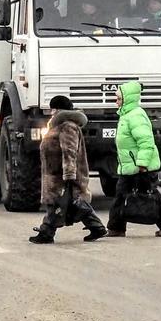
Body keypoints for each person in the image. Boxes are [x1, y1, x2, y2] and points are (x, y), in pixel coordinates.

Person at [29, 96, 108, 244]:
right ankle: (96, 227)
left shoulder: (67, 126)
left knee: (60, 203)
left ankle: (46, 232)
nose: (51, 112)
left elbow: (69, 151)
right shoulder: (58, 125)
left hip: (62, 174)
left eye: (53, 108)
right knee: (71, 203)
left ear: (58, 109)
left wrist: (69, 174)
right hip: (56, 172)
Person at [107, 81, 161, 237]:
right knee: (120, 194)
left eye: (118, 98)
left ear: (128, 99)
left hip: (139, 166)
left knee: (149, 194)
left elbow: (146, 142)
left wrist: (142, 163)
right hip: (129, 166)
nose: (116, 101)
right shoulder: (126, 114)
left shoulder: (136, 115)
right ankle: (116, 228)